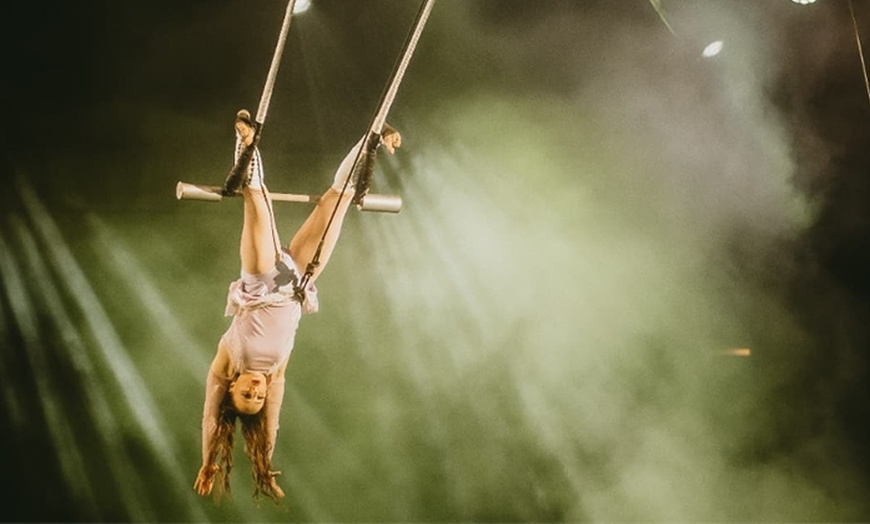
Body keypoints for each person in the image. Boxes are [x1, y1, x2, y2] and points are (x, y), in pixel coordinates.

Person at [193, 109, 402, 502]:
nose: (257, 391)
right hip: (299, 282)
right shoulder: (276, 372)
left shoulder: (228, 361)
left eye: (246, 395)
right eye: (259, 396)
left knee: (256, 199)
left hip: (260, 278)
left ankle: (246, 141)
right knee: (335, 202)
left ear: (233, 387)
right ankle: (372, 137)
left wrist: (208, 460)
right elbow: (271, 423)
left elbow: (210, 414)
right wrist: (264, 464)